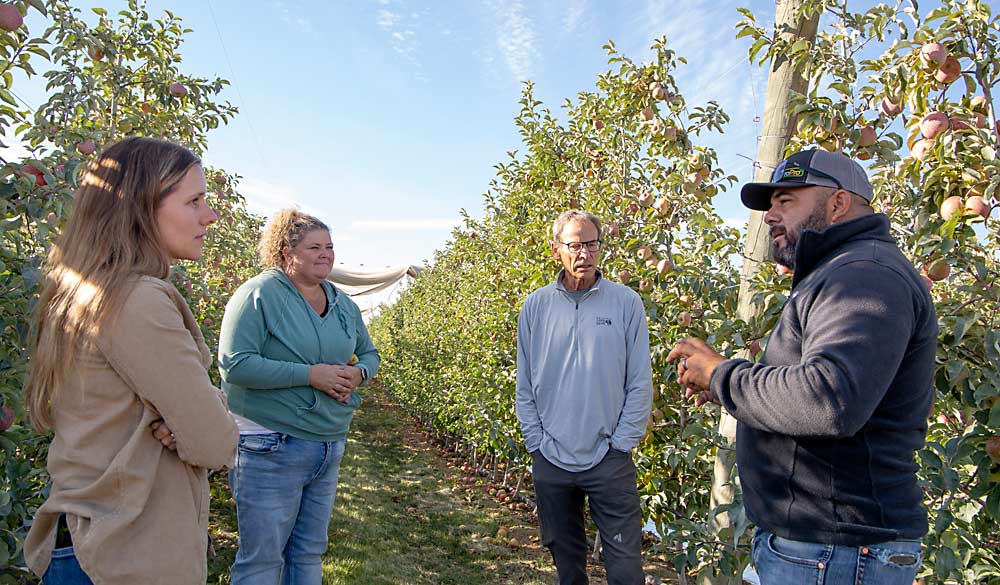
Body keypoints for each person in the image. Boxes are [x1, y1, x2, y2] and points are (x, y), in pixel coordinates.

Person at [668, 149, 936, 584]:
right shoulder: (840, 270)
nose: (770, 216)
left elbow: (828, 399)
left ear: (838, 203)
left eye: (786, 201)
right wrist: (727, 386)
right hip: (819, 548)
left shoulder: (864, 274)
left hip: (836, 552)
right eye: (770, 204)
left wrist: (722, 374)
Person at [23, 137, 239, 585]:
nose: (210, 215)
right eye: (194, 201)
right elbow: (217, 443)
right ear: (141, 207)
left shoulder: (85, 292)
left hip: (88, 543)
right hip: (124, 556)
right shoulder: (137, 300)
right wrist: (200, 416)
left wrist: (192, 413)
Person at [218, 209, 380, 584]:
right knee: (262, 559)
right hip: (270, 442)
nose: (326, 254)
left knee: (308, 552)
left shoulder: (342, 304)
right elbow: (235, 365)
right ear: (287, 253)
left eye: (329, 246)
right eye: (314, 247)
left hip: (327, 442)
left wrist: (358, 373)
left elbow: (370, 353)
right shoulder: (258, 295)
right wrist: (312, 375)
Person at [515, 210, 653, 585]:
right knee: (568, 566)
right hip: (552, 457)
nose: (584, 254)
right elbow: (524, 383)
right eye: (574, 245)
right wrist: (536, 443)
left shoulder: (626, 303)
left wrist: (621, 444)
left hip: (608, 458)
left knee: (626, 568)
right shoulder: (536, 306)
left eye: (591, 244)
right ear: (556, 249)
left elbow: (640, 381)